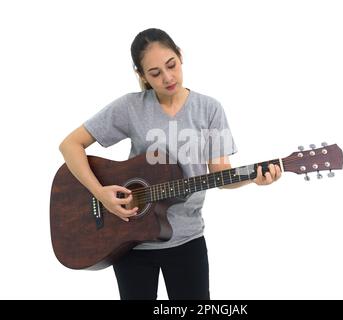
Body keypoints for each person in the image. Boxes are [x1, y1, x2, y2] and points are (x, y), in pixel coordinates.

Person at [59, 28, 281, 300]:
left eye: (171, 65)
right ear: (141, 76)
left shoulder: (209, 109)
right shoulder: (130, 107)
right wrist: (100, 193)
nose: (167, 77)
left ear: (180, 56)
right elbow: (69, 145)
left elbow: (220, 174)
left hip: (188, 240)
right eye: (154, 73)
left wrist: (253, 178)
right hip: (130, 240)